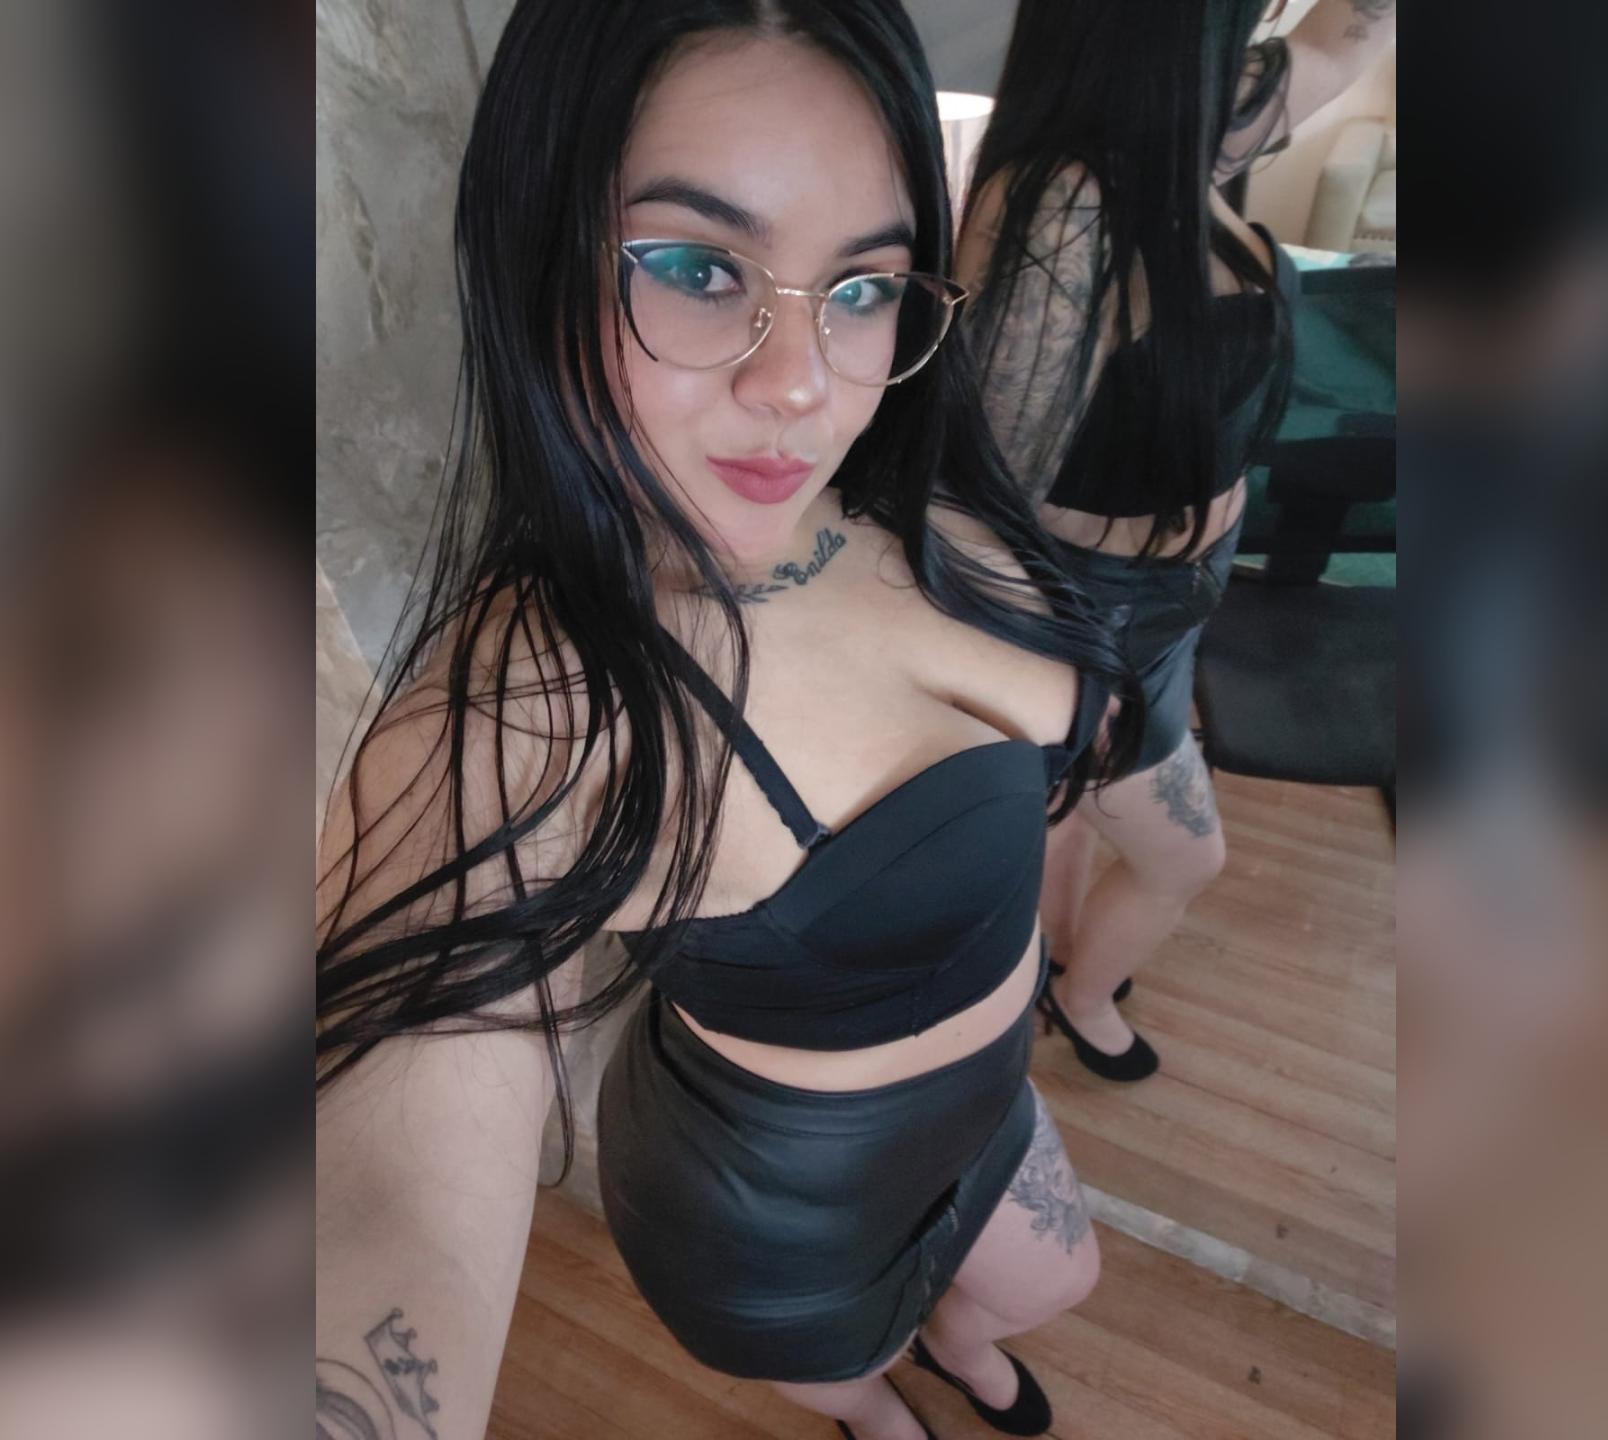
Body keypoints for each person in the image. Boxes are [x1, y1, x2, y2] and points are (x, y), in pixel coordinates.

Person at [315, 4, 1147, 1439]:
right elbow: (379, 1203)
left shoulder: (917, 506)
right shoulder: (522, 711)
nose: (802, 385)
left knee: (1055, 1280)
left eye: (863, 286)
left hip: (988, 1108)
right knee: (853, 1385)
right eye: (699, 268)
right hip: (770, 1219)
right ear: (536, 260)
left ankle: (948, 1347)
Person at [957, 0, 1396, 1080]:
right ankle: (1081, 998)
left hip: (1174, 597)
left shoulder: (1185, 121)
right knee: (1185, 856)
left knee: (1067, 816)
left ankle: (1062, 960)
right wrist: (1067, 671)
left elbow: (1342, 42)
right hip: (1091, 617)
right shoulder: (1062, 204)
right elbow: (987, 492)